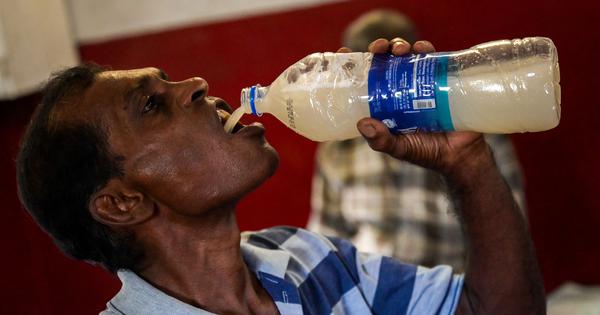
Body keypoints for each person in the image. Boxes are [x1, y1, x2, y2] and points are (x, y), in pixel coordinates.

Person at [16, 38, 545, 314]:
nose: (196, 85)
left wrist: (465, 162)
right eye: (152, 105)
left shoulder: (309, 258)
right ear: (122, 203)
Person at [309, 10, 526, 271]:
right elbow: (326, 243)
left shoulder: (472, 131)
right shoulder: (338, 148)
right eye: (363, 72)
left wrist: (466, 161)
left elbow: (510, 238)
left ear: (414, 62)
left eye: (389, 70)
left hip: (451, 294)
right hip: (369, 298)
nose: (377, 85)